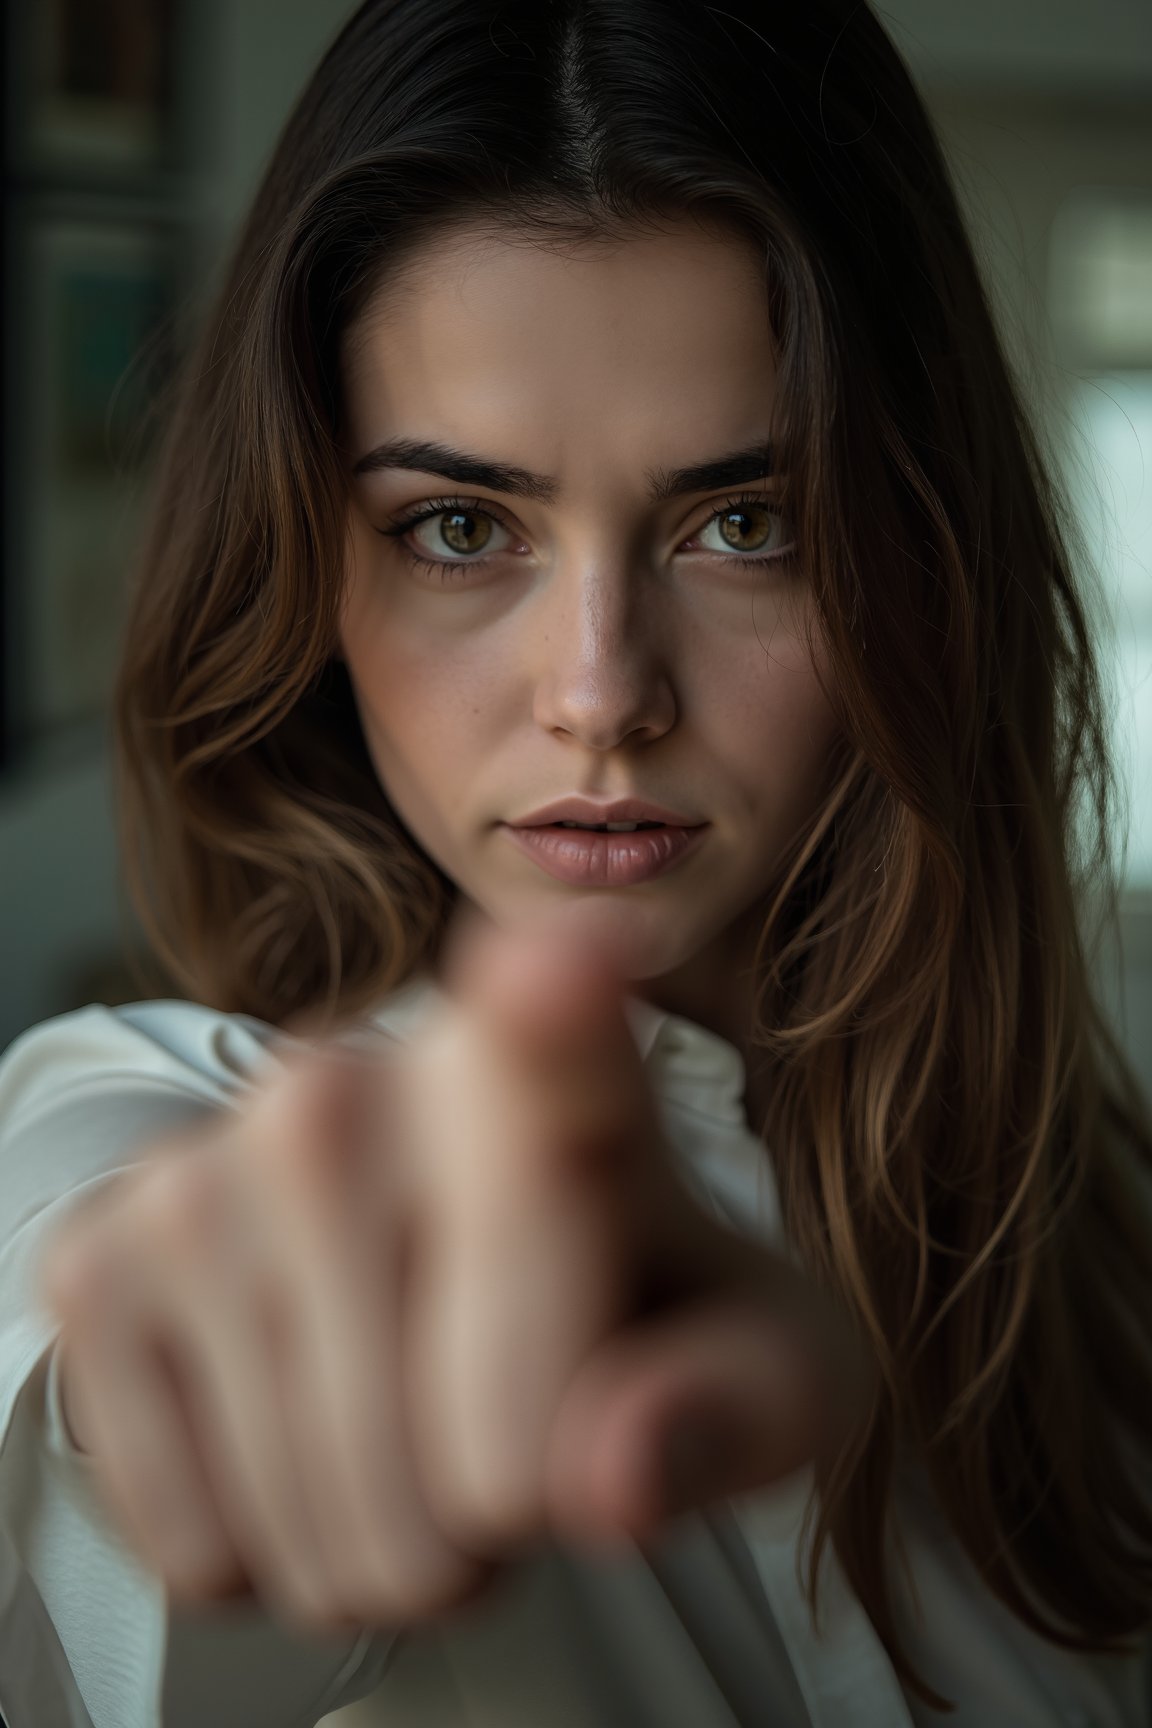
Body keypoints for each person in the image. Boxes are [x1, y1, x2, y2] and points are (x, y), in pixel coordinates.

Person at [0, 0, 1149, 1723]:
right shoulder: (151, 1115)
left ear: (919, 561)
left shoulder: (1108, 1242)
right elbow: (101, 1425)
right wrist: (202, 1395)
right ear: (311, 576)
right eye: (462, 529)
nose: (603, 693)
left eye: (745, 523)